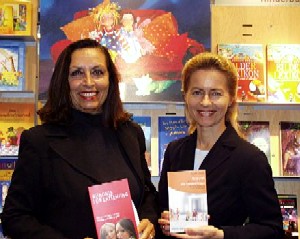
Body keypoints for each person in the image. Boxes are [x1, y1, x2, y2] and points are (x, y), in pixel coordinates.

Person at [1, 39, 158, 239]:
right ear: (64, 81)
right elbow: (15, 218)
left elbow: (147, 193)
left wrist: (148, 220)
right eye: (77, 73)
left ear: (110, 79)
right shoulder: (39, 141)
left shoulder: (131, 133)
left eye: (97, 72)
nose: (89, 82)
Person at [157, 52, 284, 239]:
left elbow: (271, 229)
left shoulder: (249, 159)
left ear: (231, 98)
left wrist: (222, 235)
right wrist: (165, 222)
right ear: (185, 96)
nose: (205, 102)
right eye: (197, 92)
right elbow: (162, 210)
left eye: (216, 93)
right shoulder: (174, 151)